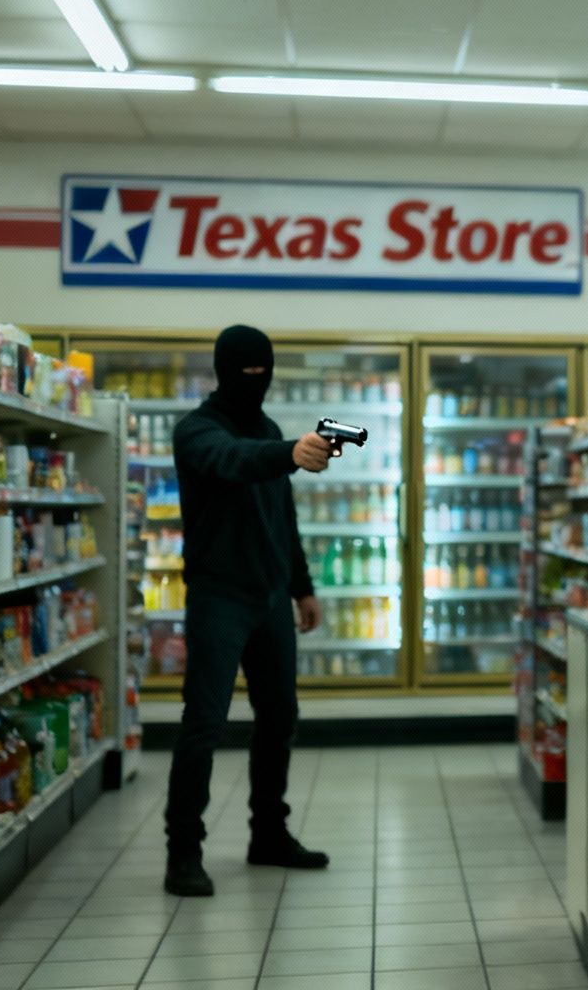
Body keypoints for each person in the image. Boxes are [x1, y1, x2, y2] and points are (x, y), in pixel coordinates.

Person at [164, 324, 337, 896]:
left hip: (268, 598)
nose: (256, 382)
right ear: (224, 370)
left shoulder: (266, 428)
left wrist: (302, 587)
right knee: (204, 722)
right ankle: (182, 852)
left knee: (280, 716)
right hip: (218, 596)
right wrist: (288, 453)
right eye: (248, 372)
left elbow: (281, 520)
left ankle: (269, 835)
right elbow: (233, 461)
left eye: (265, 371)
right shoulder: (196, 431)